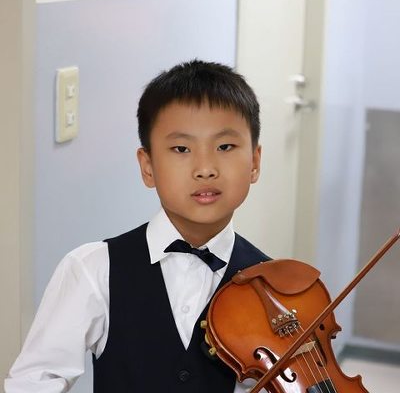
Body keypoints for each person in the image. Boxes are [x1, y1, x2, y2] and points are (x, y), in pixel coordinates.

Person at [5, 60, 271, 392]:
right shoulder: (94, 269)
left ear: (254, 163)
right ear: (148, 167)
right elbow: (35, 380)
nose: (205, 168)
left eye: (225, 147)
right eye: (181, 148)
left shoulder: (275, 290)